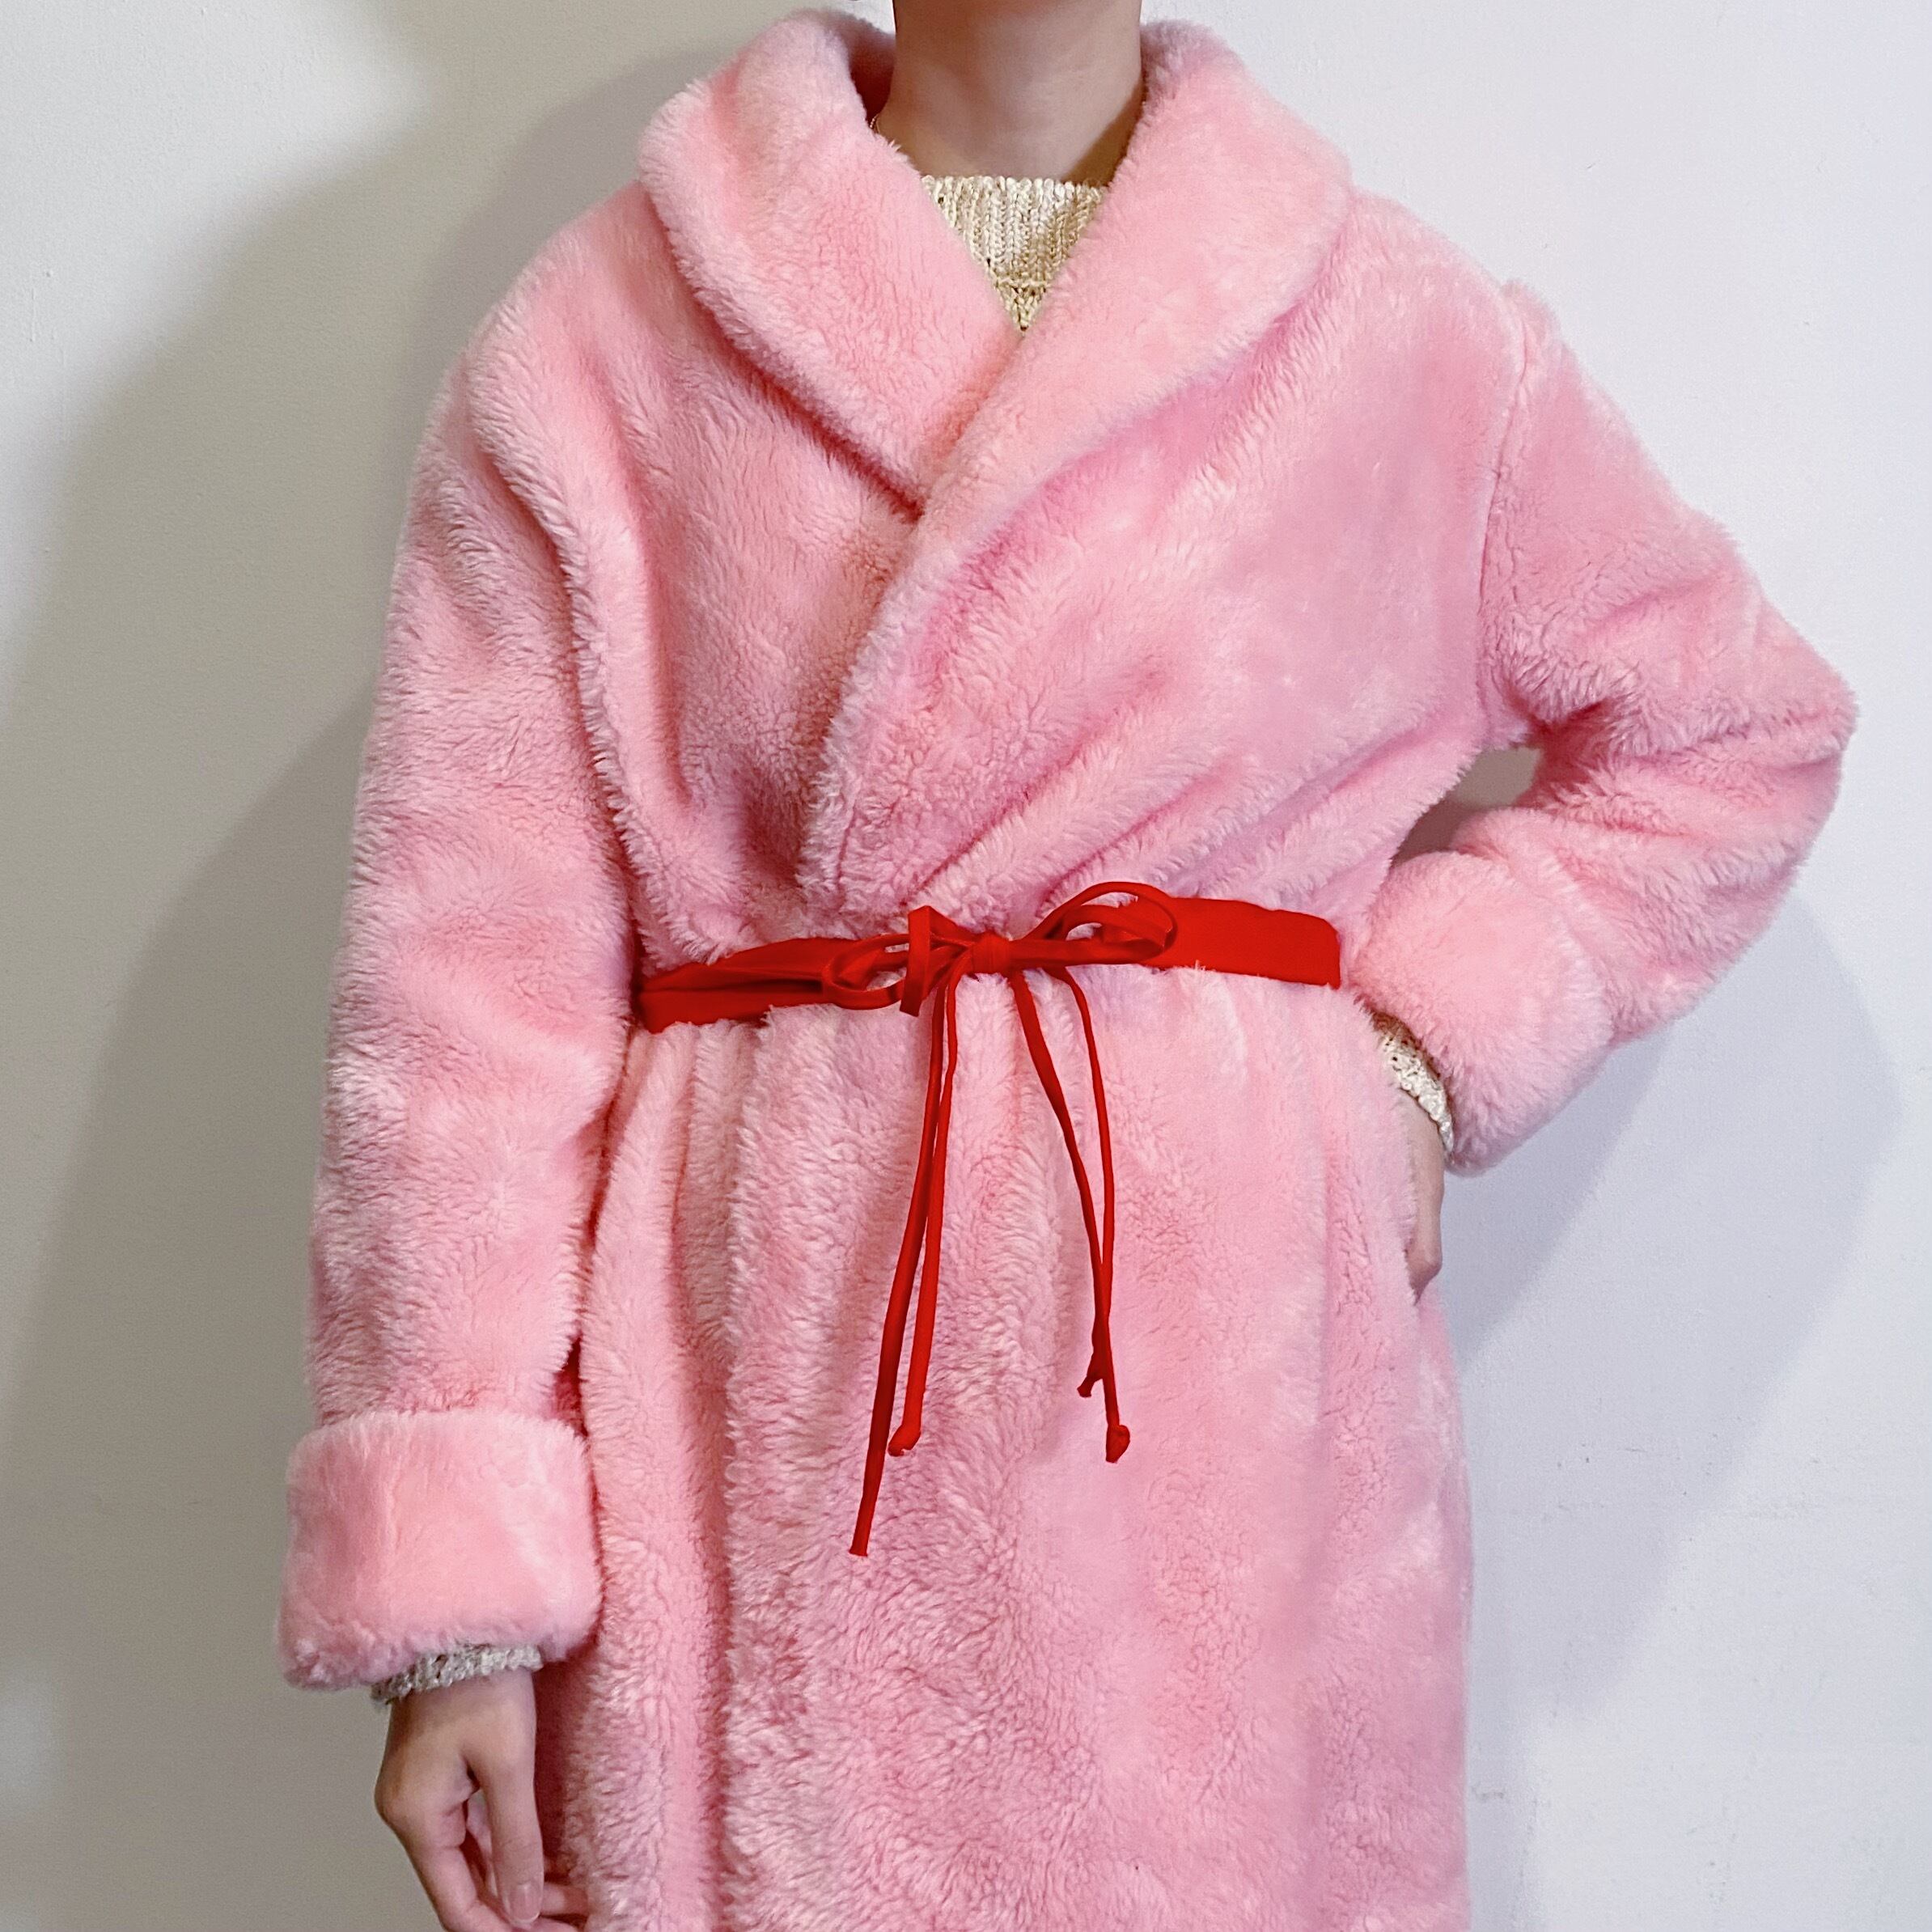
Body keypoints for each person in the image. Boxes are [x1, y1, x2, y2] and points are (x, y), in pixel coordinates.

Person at [273, 4, 1858, 1928]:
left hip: (1224, 1437)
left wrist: (1424, 1053)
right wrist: (461, 1614)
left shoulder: (1401, 339)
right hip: (758, 1419)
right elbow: (465, 1004)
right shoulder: (606, 340)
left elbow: (1733, 729)